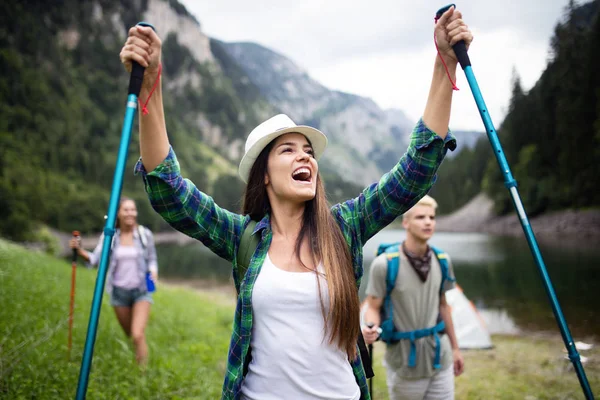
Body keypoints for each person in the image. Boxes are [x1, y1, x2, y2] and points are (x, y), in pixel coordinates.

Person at [119, 5, 472, 400]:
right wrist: (151, 83)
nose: (305, 157)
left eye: (308, 151)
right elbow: (170, 192)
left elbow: (416, 172)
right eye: (288, 150)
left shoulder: (345, 225)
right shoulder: (242, 236)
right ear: (264, 175)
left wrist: (445, 65)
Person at [361, 195, 464, 400]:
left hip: (440, 359)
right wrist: (370, 327)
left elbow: (444, 307)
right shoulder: (385, 264)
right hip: (404, 364)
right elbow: (372, 306)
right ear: (405, 222)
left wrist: (455, 348)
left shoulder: (442, 260)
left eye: (432, 217)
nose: (428, 222)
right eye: (420, 217)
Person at [70, 197, 158, 365]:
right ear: (118, 213)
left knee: (138, 334)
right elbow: (95, 259)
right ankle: (137, 359)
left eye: (133, 209)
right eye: (126, 210)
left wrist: (153, 271)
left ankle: (143, 374)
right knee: (131, 335)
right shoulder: (110, 235)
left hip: (142, 291)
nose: (130, 213)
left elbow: (152, 259)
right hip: (119, 293)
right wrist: (79, 250)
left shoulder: (145, 234)